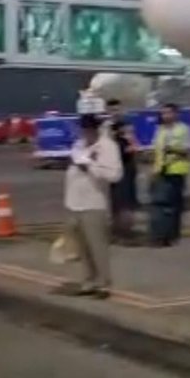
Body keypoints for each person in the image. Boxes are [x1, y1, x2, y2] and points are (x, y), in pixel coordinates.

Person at [60, 114, 123, 298]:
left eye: (89, 130)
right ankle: (89, 281)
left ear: (96, 130)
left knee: (97, 246)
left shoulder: (107, 147)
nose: (86, 134)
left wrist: (90, 167)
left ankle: (104, 284)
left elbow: (115, 175)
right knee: (83, 247)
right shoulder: (79, 145)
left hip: (94, 203)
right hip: (74, 202)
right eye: (83, 130)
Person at [149, 103, 190, 245]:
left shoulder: (184, 129)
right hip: (160, 170)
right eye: (163, 113)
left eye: (168, 113)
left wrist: (173, 149)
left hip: (176, 171)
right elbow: (155, 149)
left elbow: (189, 149)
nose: (165, 116)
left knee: (174, 205)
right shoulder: (160, 130)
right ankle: (161, 234)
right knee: (160, 204)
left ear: (176, 114)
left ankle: (173, 235)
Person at [105, 99, 140, 242]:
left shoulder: (127, 125)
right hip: (112, 165)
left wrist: (129, 142)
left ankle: (126, 229)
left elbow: (134, 146)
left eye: (117, 110)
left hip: (126, 165)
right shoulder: (105, 127)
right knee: (115, 199)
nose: (115, 113)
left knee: (126, 198)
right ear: (107, 111)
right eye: (112, 110)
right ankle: (116, 228)